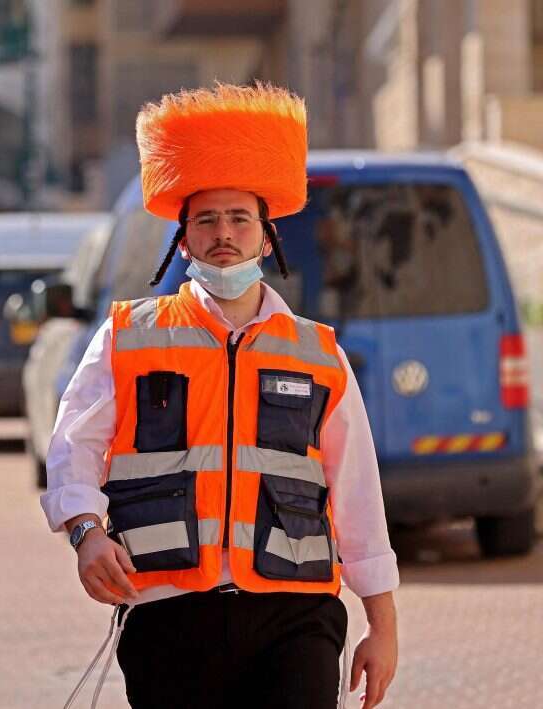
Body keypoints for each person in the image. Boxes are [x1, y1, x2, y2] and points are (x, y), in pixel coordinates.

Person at [43, 84, 399, 709]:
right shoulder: (129, 337)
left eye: (239, 218)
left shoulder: (319, 354)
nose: (223, 233)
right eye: (205, 219)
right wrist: (85, 534)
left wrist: (383, 622)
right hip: (169, 614)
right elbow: (72, 447)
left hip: (297, 615)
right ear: (182, 242)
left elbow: (357, 493)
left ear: (267, 238)